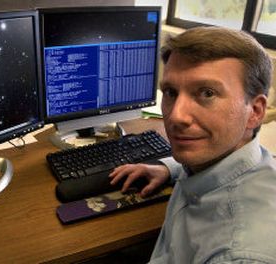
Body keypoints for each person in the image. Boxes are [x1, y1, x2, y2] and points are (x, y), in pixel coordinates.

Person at [109, 26, 276, 263]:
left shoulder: (236, 254)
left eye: (206, 93)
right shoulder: (229, 156)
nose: (177, 116)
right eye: (171, 92)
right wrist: (167, 168)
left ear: (255, 112)